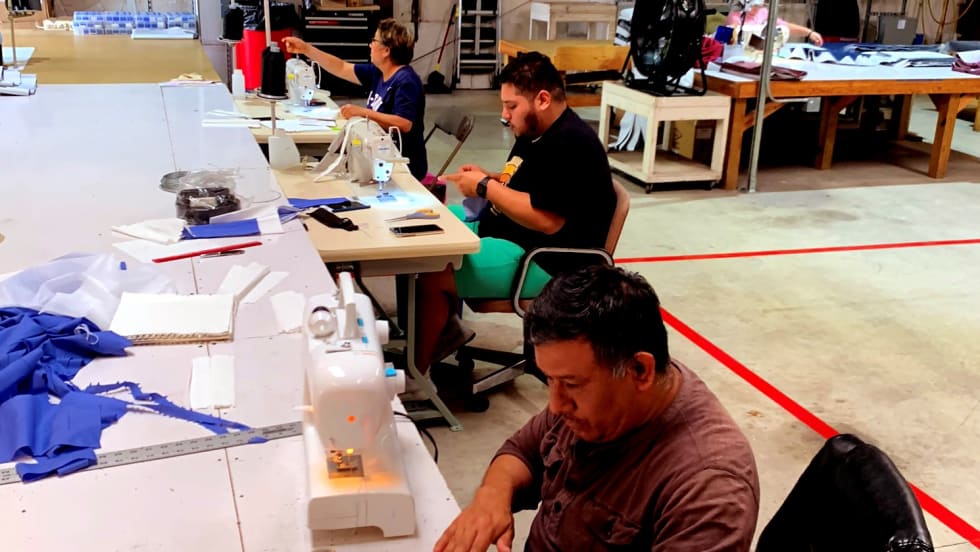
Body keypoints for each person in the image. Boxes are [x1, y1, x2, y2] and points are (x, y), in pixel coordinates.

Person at [434, 265, 760, 552]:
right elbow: (523, 451)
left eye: (571, 384)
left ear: (640, 371)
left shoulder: (707, 489)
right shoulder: (604, 394)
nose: (555, 405)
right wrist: (492, 495)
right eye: (549, 379)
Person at [413, 52, 616, 378]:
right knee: (424, 224)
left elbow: (547, 220)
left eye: (511, 106)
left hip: (547, 260)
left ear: (543, 99)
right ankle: (441, 332)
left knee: (433, 269)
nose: (504, 115)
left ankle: (417, 376)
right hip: (509, 232)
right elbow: (524, 183)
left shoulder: (571, 144)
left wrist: (485, 187)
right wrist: (489, 178)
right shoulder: (535, 130)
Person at [283, 18, 428, 180]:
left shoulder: (406, 81)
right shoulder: (378, 72)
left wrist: (362, 113)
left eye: (374, 41)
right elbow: (341, 67)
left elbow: (404, 123)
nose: (370, 45)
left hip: (402, 165)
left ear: (386, 50)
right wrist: (307, 49)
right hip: (378, 155)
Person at [726, 0, 824, 46]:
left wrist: (809, 33)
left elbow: (784, 25)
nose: (756, 8)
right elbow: (733, 37)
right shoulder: (736, 14)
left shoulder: (763, 12)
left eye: (759, 5)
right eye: (754, 5)